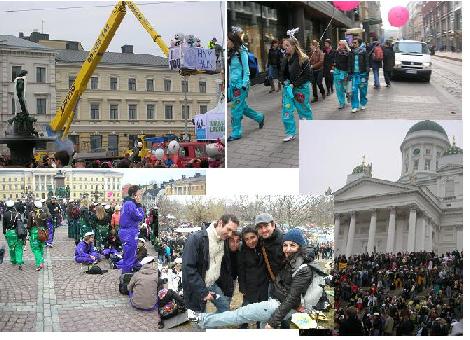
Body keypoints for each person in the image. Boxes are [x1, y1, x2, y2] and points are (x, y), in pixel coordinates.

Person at [194, 228, 316, 329]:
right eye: (285, 245)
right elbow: (240, 271)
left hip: (274, 302)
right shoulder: (290, 261)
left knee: (240, 315)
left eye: (292, 245)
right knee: (245, 316)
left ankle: (201, 319)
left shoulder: (300, 267)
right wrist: (243, 288)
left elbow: (291, 298)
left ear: (300, 247)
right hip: (264, 296)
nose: (288, 249)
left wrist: (272, 323)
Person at [182, 214, 239, 313]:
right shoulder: (196, 239)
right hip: (197, 287)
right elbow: (188, 268)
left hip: (213, 285)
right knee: (199, 316)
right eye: (228, 229)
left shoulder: (224, 239)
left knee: (225, 309)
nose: (230, 234)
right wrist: (203, 292)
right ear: (220, 223)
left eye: (233, 232)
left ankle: (210, 324)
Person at [227, 28, 265, 142]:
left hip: (240, 86)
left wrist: (243, 84)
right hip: (233, 86)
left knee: (235, 109)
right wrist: (229, 86)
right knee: (242, 107)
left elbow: (246, 70)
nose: (227, 43)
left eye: (228, 41)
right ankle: (259, 117)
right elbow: (231, 72)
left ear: (233, 41)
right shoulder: (231, 53)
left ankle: (236, 132)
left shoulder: (241, 53)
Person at [279, 30, 313, 142]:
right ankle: (290, 133)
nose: (285, 48)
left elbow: (307, 76)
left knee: (303, 111)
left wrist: (294, 84)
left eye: (287, 46)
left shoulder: (304, 59)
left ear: (294, 46)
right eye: (284, 46)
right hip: (288, 90)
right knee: (286, 111)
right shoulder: (285, 58)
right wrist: (284, 81)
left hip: (300, 89)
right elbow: (282, 74)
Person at [237, 226, 269, 328]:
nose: (250, 241)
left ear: (257, 236)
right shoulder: (242, 251)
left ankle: (260, 327)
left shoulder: (263, 247)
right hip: (250, 286)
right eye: (247, 239)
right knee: (246, 309)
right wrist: (242, 287)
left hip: (264, 285)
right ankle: (243, 326)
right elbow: (241, 271)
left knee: (262, 310)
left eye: (252, 237)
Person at [127, 256, 165, 329]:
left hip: (135, 304)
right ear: (152, 264)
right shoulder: (157, 274)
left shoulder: (137, 274)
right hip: (152, 305)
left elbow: (129, 288)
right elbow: (161, 291)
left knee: (131, 288)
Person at [115, 185, 145, 273]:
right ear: (134, 195)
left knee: (131, 255)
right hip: (129, 232)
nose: (140, 196)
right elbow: (139, 216)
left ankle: (129, 268)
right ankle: (126, 276)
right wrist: (139, 205)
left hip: (129, 231)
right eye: (139, 194)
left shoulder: (128, 203)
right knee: (129, 256)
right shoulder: (131, 204)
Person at [255, 213, 284, 282]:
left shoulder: (284, 239)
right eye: (260, 227)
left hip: (286, 283)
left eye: (266, 226)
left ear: (273, 225)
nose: (263, 230)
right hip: (272, 281)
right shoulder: (260, 241)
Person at [2, 199, 25, 270]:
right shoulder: (17, 214)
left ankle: (13, 260)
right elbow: (21, 224)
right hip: (17, 232)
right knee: (19, 247)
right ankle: (20, 261)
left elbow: (4, 225)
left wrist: (4, 232)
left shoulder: (5, 214)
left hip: (9, 232)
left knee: (11, 247)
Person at [348, 37, 369, 113]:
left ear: (359, 44)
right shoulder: (351, 52)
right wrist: (349, 73)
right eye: (353, 42)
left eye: (355, 42)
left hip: (362, 74)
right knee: (354, 91)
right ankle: (355, 106)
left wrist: (367, 73)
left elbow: (367, 63)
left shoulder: (364, 52)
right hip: (354, 75)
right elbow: (349, 63)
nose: (353, 44)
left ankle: (363, 103)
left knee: (363, 90)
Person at [27, 201, 49, 271]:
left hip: (34, 232)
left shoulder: (31, 214)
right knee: (41, 247)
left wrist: (29, 233)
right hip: (42, 232)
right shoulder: (43, 213)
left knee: (36, 249)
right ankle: (41, 260)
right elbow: (46, 225)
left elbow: (29, 225)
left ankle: (39, 263)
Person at [332, 40, 350, 110]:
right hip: (337, 71)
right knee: (339, 88)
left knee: (345, 88)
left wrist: (349, 72)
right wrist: (333, 65)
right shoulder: (336, 52)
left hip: (344, 72)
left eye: (340, 44)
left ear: (344, 45)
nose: (339, 46)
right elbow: (333, 60)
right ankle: (341, 102)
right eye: (338, 44)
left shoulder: (348, 53)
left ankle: (348, 95)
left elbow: (349, 63)